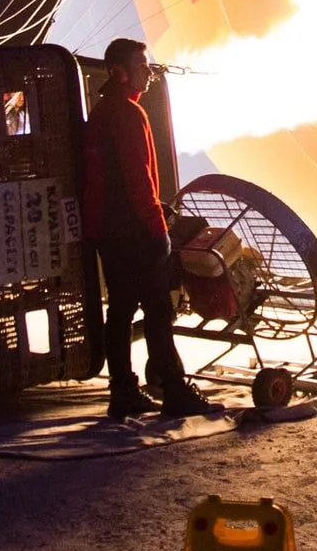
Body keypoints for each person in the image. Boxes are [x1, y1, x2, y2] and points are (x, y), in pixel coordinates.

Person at [80, 38, 215, 419]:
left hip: (109, 231)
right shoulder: (128, 113)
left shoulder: (102, 111)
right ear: (120, 71)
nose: (149, 70)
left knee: (120, 309)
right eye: (141, 63)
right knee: (158, 309)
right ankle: (173, 388)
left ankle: (123, 390)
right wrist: (158, 229)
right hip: (135, 231)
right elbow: (138, 178)